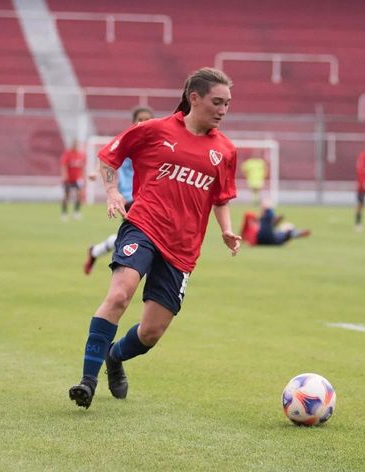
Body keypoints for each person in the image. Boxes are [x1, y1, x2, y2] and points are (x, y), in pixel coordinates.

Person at [69, 67, 242, 409]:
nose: (223, 110)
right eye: (217, 102)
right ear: (195, 98)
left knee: (151, 333)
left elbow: (220, 196)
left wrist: (224, 229)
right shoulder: (155, 130)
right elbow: (108, 157)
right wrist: (111, 191)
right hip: (144, 226)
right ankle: (87, 382)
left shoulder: (225, 150)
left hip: (183, 247)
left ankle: (114, 358)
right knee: (119, 294)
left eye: (228, 104)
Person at [84, 106, 154, 275]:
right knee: (147, 235)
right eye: (141, 119)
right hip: (127, 197)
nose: (144, 122)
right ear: (133, 122)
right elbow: (107, 156)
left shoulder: (155, 143)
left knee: (136, 235)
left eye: (147, 119)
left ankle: (96, 251)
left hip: (147, 196)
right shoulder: (128, 140)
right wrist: (95, 171)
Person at [239, 201, 310, 246]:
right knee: (285, 234)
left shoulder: (257, 221)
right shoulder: (278, 233)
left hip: (259, 240)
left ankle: (293, 232)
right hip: (268, 239)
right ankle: (294, 232)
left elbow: (248, 218)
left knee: (281, 233)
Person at [59, 140, 86, 221]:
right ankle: (64, 213)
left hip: (77, 179)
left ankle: (76, 212)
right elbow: (63, 165)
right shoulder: (68, 154)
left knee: (79, 195)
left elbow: (82, 167)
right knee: (66, 196)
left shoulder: (81, 155)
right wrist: (64, 175)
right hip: (68, 179)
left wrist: (83, 177)